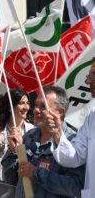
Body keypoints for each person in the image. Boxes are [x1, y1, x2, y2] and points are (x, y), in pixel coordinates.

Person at [2, 86, 85, 198]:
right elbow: (10, 179)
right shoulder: (29, 136)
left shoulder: (73, 142)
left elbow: (77, 187)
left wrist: (37, 173)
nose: (36, 110)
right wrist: (13, 153)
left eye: (43, 106)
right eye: (36, 105)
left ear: (60, 112)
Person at [49, 57, 95, 198]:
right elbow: (75, 156)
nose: (87, 82)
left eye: (92, 76)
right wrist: (57, 134)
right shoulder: (92, 117)